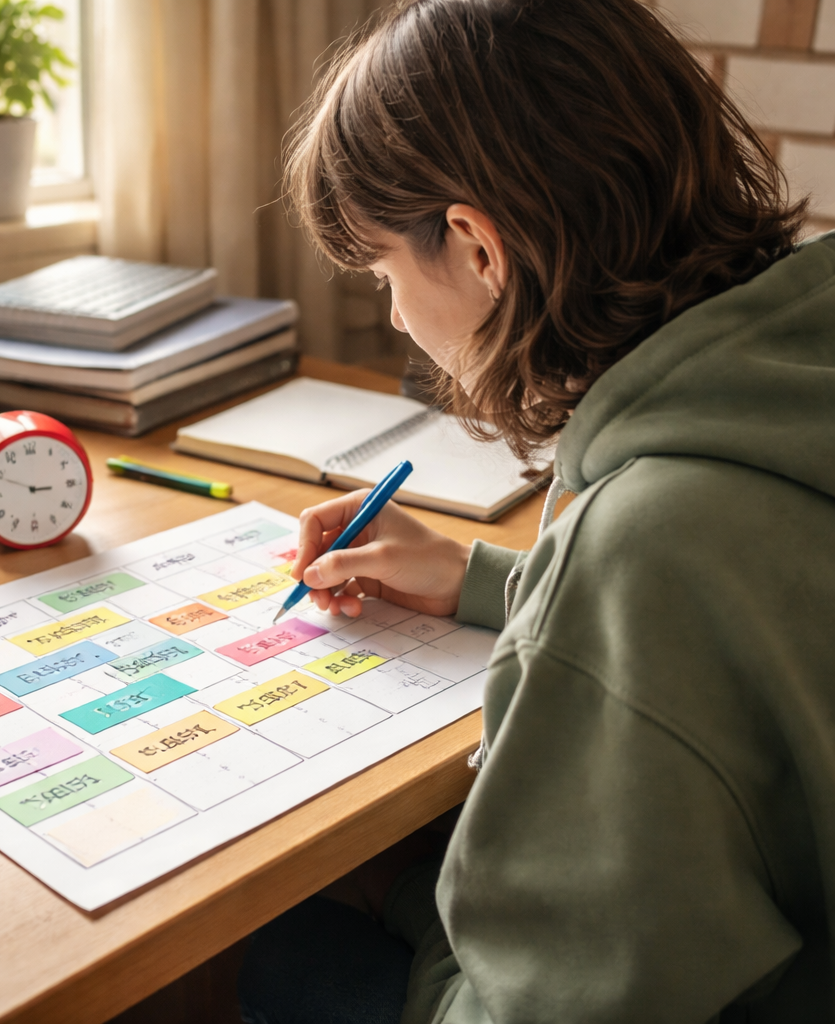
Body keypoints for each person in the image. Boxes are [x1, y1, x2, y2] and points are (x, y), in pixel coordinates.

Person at [236, 0, 835, 1022]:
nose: (391, 315)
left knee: (270, 950)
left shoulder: (649, 540)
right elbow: (772, 611)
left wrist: (401, 898)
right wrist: (496, 579)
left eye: (383, 271)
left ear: (475, 246)